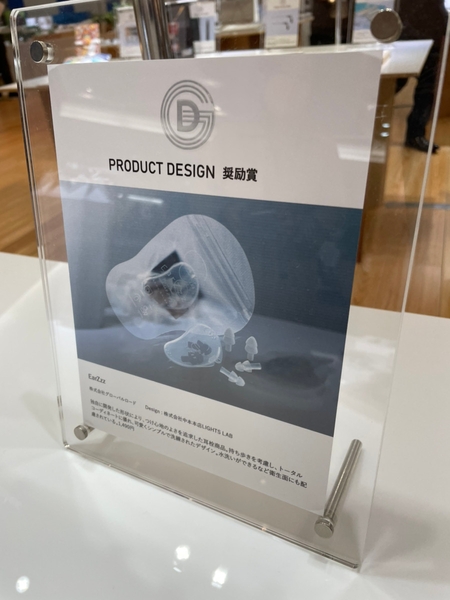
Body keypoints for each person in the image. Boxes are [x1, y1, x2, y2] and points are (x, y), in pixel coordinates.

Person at [397, 0, 448, 153]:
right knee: (393, 84)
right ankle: (362, 124)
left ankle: (415, 134)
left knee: (427, 88)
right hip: (404, 29)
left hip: (433, 29)